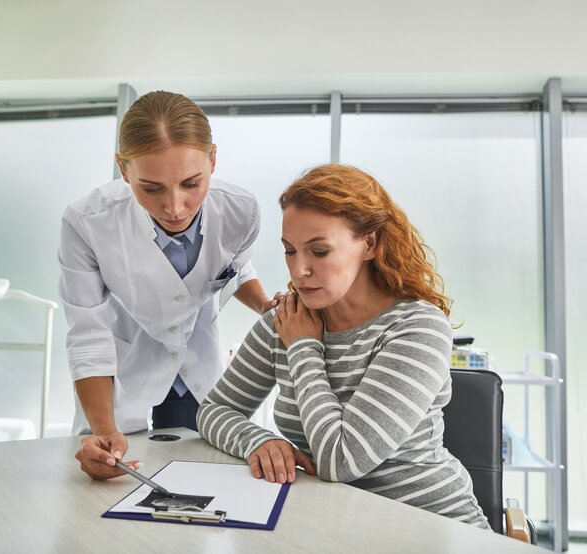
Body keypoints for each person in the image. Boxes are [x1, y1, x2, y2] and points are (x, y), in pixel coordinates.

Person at [197, 164, 491, 528]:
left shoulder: (416, 326)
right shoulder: (284, 321)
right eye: (290, 251)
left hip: (429, 526)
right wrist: (256, 441)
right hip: (331, 524)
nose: (299, 270)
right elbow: (214, 410)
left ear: (369, 244)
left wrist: (304, 347)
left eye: (319, 252)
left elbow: (341, 460)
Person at [59, 91, 277, 480]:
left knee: (201, 487)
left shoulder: (242, 211)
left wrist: (266, 308)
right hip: (123, 373)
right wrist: (103, 430)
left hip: (197, 372)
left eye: (192, 183)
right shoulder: (87, 223)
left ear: (213, 159)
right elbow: (88, 334)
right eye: (151, 188)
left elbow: (235, 270)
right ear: (123, 170)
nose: (175, 208)